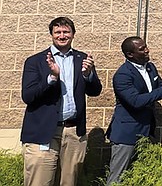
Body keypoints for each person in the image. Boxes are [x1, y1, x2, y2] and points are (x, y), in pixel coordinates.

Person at [21, 17, 102, 186]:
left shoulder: (82, 59)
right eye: (58, 32)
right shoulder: (35, 61)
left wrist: (89, 75)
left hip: (73, 132)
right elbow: (28, 96)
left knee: (69, 182)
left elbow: (95, 91)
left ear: (73, 34)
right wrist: (52, 78)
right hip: (42, 132)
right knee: (39, 181)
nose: (62, 35)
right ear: (51, 34)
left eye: (66, 32)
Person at [105, 36, 162, 185]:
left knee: (141, 175)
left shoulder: (150, 67)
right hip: (126, 134)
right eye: (142, 49)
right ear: (130, 54)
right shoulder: (122, 75)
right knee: (117, 179)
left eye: (146, 46)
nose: (147, 50)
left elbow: (159, 88)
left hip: (146, 133)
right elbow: (136, 101)